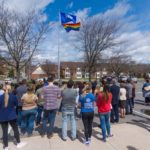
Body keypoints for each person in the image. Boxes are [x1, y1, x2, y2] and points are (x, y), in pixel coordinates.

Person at [0, 85, 26, 150]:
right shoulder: (13, 97)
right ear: (10, 89)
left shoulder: (0, 97)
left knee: (4, 132)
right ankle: (18, 143)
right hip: (12, 116)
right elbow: (16, 104)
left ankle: (6, 146)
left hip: (2, 116)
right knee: (15, 129)